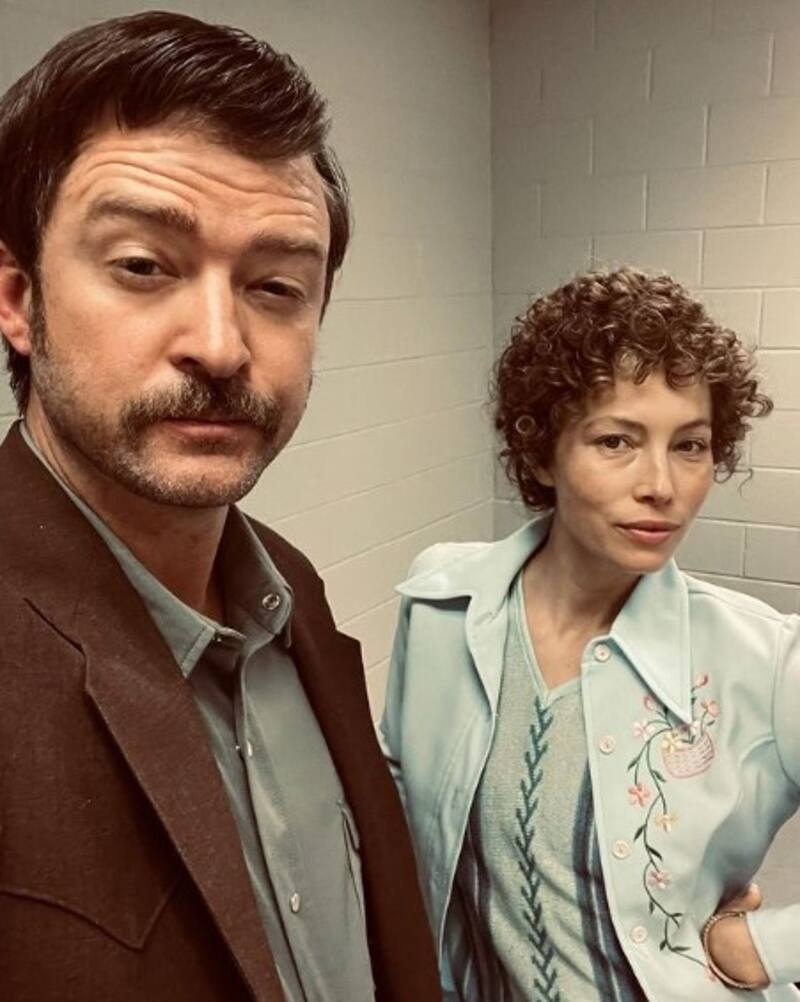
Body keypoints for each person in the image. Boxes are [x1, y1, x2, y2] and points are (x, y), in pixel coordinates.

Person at [0, 12, 440, 1002]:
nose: (221, 344)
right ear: (20, 299)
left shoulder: (292, 589)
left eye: (275, 285)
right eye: (142, 266)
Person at [381, 267, 800, 1001]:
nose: (661, 485)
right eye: (616, 441)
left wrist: (766, 945)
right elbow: (396, 808)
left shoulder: (764, 658)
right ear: (541, 453)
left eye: (691, 446)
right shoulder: (443, 602)